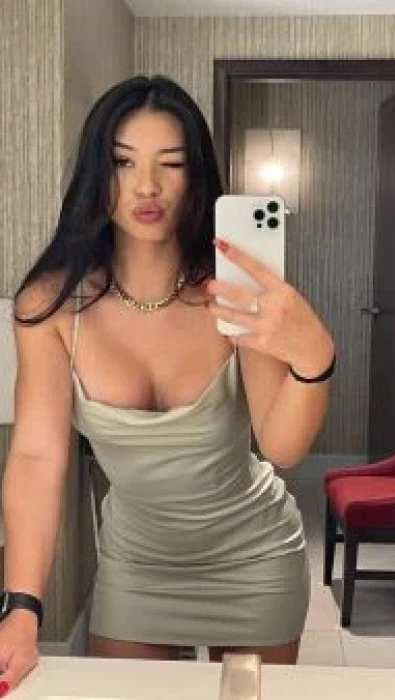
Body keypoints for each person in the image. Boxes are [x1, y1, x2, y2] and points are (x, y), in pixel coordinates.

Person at [0, 75, 335, 692]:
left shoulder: (232, 293)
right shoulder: (51, 307)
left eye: (171, 163)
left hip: (254, 559)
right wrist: (22, 606)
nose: (146, 185)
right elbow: (37, 456)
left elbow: (283, 447)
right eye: (123, 161)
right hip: (136, 567)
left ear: (196, 175)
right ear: (96, 173)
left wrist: (315, 357)